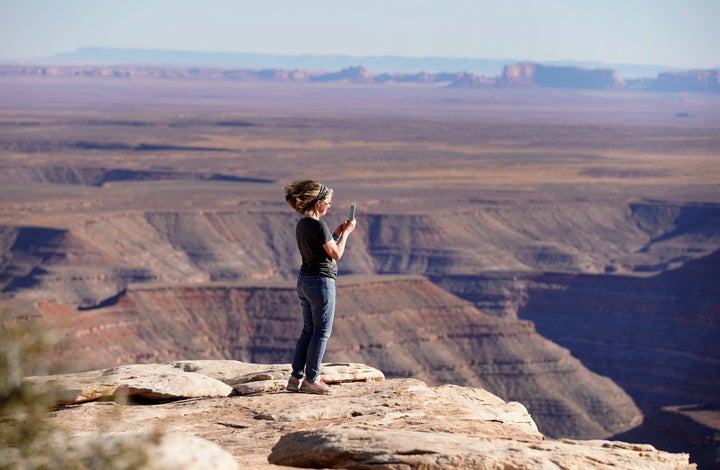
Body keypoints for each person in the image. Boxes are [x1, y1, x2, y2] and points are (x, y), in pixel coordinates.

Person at [283, 180, 356, 395]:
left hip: (304, 281)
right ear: (317, 202)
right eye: (327, 202)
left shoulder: (303, 224)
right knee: (321, 332)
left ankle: (295, 378)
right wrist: (347, 234)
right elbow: (335, 254)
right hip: (321, 282)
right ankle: (312, 379)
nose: (329, 207)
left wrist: (335, 233)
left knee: (308, 330)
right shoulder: (318, 225)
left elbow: (322, 248)